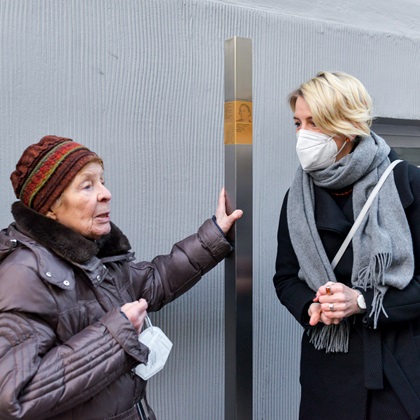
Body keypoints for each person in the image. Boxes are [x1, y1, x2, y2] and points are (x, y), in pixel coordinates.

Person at [0, 135, 243, 419]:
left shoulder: (89, 256)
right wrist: (116, 337)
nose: (106, 193)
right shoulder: (23, 275)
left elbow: (154, 281)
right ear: (50, 207)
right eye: (87, 185)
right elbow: (15, 396)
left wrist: (214, 235)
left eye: (102, 181)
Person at [273, 71, 420, 419]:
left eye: (315, 122)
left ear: (347, 125)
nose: (303, 135)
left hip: (397, 376)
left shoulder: (408, 184)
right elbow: (286, 278)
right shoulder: (298, 199)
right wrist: (311, 306)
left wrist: (362, 302)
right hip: (327, 376)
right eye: (298, 123)